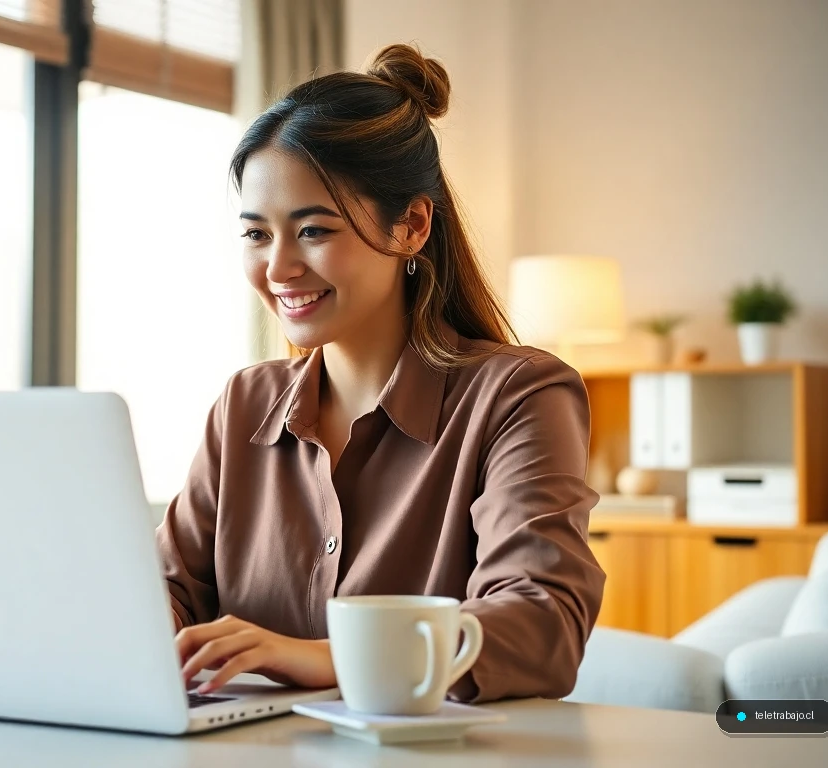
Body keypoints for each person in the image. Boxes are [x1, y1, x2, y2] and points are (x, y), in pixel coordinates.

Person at [158, 43, 606, 704]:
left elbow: (541, 623)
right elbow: (171, 587)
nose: (278, 269)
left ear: (412, 226)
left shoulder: (519, 396)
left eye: (313, 230)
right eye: (256, 234)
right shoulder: (245, 404)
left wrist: (327, 658)